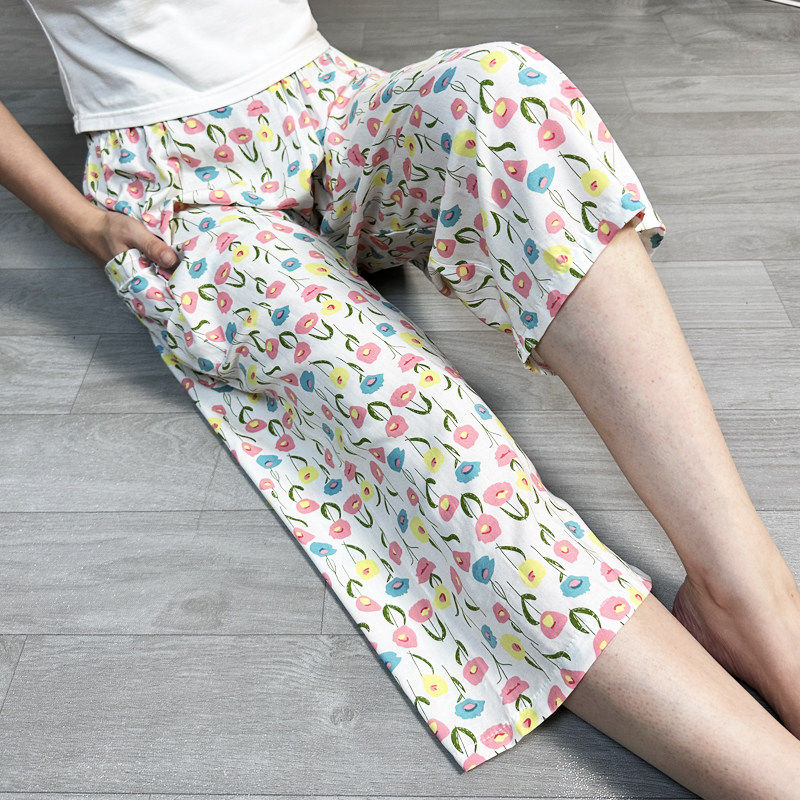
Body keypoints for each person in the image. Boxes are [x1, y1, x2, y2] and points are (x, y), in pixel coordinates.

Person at [3, 1, 800, 796]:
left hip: (327, 98)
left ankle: (748, 597)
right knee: (412, 415)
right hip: (180, 188)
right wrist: (80, 224)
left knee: (510, 92)